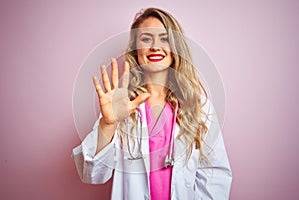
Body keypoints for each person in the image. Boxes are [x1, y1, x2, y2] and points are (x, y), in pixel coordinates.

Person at [72, 7, 232, 200]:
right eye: (146, 39)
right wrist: (108, 124)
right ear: (135, 49)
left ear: (175, 48)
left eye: (164, 38)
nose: (155, 46)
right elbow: (93, 173)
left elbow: (215, 177)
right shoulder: (122, 105)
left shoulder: (199, 106)